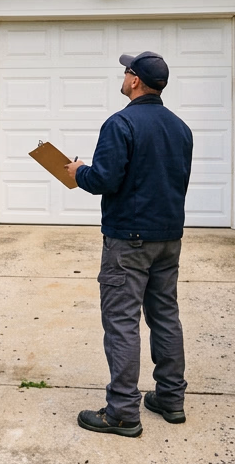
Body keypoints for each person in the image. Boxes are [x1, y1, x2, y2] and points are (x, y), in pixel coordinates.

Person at [64, 51, 193, 438]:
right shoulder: (181, 128)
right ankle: (171, 398)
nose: (122, 76)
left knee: (121, 322)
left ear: (135, 80)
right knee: (165, 316)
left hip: (129, 240)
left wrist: (76, 171)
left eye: (126, 71)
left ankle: (122, 411)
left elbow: (104, 180)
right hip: (169, 237)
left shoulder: (120, 124)